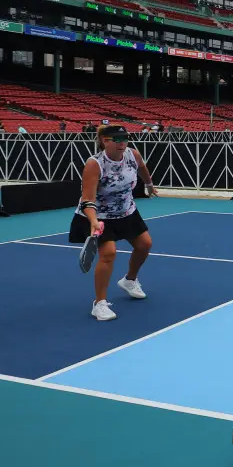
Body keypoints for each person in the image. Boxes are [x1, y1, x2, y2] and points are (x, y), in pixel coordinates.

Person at [70, 124, 159, 321]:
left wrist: (149, 185)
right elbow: (87, 199)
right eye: (117, 140)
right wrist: (93, 221)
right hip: (98, 216)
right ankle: (99, 304)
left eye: (125, 139)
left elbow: (142, 168)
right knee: (108, 253)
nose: (122, 143)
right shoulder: (95, 164)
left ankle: (129, 280)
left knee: (145, 245)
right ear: (105, 141)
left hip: (126, 211)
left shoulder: (132, 155)